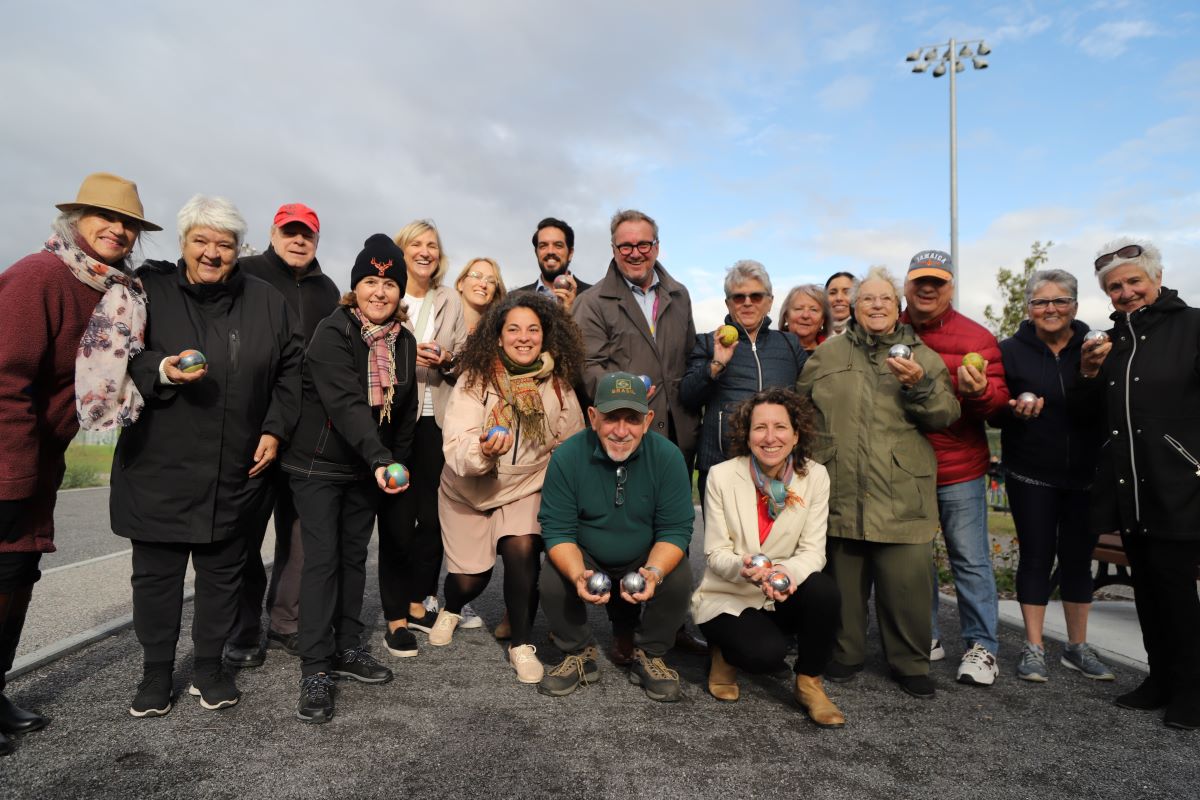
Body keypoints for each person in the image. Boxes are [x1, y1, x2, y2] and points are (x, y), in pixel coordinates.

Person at [109, 195, 302, 717]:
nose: (212, 253)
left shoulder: (266, 300)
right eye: (201, 241)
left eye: (224, 244)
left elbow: (291, 371)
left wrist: (276, 428)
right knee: (156, 577)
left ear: (240, 249)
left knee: (223, 572)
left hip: (235, 465)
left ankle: (209, 668)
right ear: (182, 243)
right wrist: (162, 371)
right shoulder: (149, 289)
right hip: (158, 463)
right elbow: (116, 350)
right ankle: (154, 674)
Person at [0, 173, 158, 755]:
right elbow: (3, 380)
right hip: (7, 460)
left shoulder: (116, 291)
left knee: (17, 578)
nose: (118, 229)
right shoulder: (38, 277)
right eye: (105, 217)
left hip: (36, 462)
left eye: (129, 224)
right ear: (75, 221)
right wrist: (14, 475)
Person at [797, 266, 960, 698]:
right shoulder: (828, 355)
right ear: (853, 307)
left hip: (901, 490)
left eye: (885, 299)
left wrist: (919, 387)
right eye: (867, 298)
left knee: (905, 585)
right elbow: (802, 413)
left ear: (898, 306)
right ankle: (846, 653)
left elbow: (947, 415)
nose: (876, 305)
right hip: (841, 486)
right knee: (843, 586)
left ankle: (909, 662)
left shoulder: (921, 356)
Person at [281, 234, 417, 723]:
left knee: (354, 558)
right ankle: (315, 667)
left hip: (368, 467)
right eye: (369, 281)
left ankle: (347, 645)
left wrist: (395, 465)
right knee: (322, 561)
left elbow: (405, 408)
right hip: (318, 465)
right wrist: (382, 458)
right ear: (354, 287)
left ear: (400, 291)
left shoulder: (404, 341)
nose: (379, 292)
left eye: (388, 283)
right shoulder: (332, 332)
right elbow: (346, 404)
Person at [1074, 238, 1200, 730]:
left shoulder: (1192, 327)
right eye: (1115, 286)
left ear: (1157, 279)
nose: (1126, 292)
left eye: (1134, 282)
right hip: (1129, 489)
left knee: (1175, 590)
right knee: (1145, 590)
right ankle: (1161, 680)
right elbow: (1090, 418)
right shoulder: (1112, 342)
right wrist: (1087, 374)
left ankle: (1192, 689)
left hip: (1178, 484)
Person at [427, 293, 585, 684]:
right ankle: (453, 606)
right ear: (498, 337)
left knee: (523, 549)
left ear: (545, 336)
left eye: (533, 329)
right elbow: (455, 445)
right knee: (470, 579)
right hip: (469, 487)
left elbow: (572, 442)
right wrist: (482, 451)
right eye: (513, 329)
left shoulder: (559, 386)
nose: (524, 337)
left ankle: (521, 644)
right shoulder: (474, 380)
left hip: (525, 485)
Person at [572, 209, 706, 658]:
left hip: (676, 429)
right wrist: (624, 397)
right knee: (629, 525)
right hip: (626, 432)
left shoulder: (679, 294)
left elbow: (688, 359)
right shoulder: (592, 302)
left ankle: (670, 620)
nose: (635, 252)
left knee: (674, 528)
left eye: (643, 244)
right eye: (625, 245)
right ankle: (624, 624)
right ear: (613, 249)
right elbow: (587, 368)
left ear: (656, 247)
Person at [226, 202, 340, 668]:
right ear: (273, 233)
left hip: (309, 430)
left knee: (300, 536)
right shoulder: (245, 273)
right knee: (243, 535)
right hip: (253, 426)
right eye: (290, 232)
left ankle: (287, 621)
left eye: (307, 234)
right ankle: (244, 627)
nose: (298, 241)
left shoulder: (327, 289)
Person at [536, 372, 696, 702]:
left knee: (678, 574)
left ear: (648, 420)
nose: (621, 431)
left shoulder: (667, 457)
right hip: (588, 554)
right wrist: (578, 574)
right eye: (611, 418)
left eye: (632, 419)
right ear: (593, 417)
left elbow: (675, 530)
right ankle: (579, 652)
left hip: (643, 554)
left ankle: (649, 654)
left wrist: (653, 572)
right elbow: (558, 530)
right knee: (553, 576)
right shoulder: (567, 457)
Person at [691, 388, 844, 726]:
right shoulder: (721, 475)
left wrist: (785, 574)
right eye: (759, 428)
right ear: (747, 435)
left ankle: (809, 683)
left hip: (781, 591)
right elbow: (716, 552)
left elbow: (812, 552)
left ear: (796, 434)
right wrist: (743, 568)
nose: (770, 437)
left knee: (824, 592)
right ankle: (722, 651)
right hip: (728, 594)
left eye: (780, 427)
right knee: (765, 656)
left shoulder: (815, 477)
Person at [993, 269, 1110, 683]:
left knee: (1079, 559)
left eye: (1059, 301)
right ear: (1029, 309)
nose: (1050, 309)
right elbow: (992, 409)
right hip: (1031, 472)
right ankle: (1034, 646)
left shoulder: (1096, 346)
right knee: (1037, 557)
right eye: (1041, 302)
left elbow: (1105, 404)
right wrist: (1012, 409)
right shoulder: (1010, 350)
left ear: (1075, 306)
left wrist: (1092, 371)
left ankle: (1076, 647)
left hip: (1085, 473)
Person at [900, 249, 1009, 686]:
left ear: (951, 287)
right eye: (920, 281)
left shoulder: (977, 338)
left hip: (958, 469)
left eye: (938, 282)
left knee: (970, 559)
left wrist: (980, 393)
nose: (928, 288)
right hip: (906, 466)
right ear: (907, 285)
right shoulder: (890, 328)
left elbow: (999, 407)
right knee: (914, 559)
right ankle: (925, 634)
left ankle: (982, 647)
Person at [377, 220, 471, 654]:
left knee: (433, 520)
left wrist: (447, 358)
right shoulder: (386, 292)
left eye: (432, 245)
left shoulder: (450, 298)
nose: (425, 251)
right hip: (394, 419)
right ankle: (395, 616)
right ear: (402, 250)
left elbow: (463, 356)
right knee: (397, 519)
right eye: (416, 243)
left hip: (437, 418)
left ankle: (418, 601)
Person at [680, 261, 807, 507]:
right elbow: (687, 396)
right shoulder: (708, 343)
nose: (747, 302)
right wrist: (716, 365)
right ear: (728, 303)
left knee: (777, 543)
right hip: (722, 466)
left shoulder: (789, 345)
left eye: (756, 296)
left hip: (778, 467)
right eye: (738, 297)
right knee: (724, 544)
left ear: (769, 301)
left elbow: (810, 397)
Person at [518, 217, 590, 311]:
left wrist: (572, 310)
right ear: (536, 253)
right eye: (543, 246)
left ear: (570, 253)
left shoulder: (592, 296)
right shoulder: (517, 298)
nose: (550, 251)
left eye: (558, 245)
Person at [455, 256, 507, 333]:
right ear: (461, 284)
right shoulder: (437, 320)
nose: (483, 284)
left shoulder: (498, 333)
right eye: (476, 276)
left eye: (491, 281)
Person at [779, 284, 832, 352]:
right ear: (786, 316)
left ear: (822, 320)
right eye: (799, 309)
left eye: (814, 310)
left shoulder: (833, 353)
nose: (805, 315)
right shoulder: (768, 348)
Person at [824, 272, 855, 337]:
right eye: (832, 293)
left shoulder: (868, 335)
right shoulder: (813, 337)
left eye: (847, 292)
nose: (839, 298)